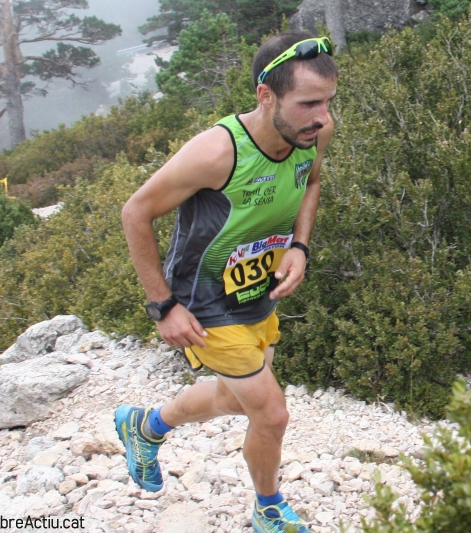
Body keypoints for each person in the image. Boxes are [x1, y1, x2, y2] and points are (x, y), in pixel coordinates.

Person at [114, 30, 337, 533]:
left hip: (257, 291)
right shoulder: (217, 152)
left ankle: (144, 427)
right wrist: (162, 306)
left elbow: (312, 181)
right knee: (272, 414)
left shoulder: (315, 132)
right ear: (266, 95)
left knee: (233, 399)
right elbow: (135, 212)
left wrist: (299, 247)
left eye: (327, 101)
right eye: (307, 103)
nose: (321, 116)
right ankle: (268, 508)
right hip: (203, 302)